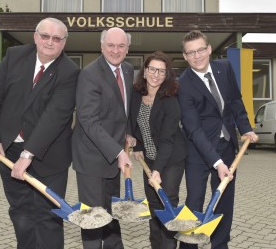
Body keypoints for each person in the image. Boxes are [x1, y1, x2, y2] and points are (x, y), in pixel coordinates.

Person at [0, 17, 80, 249]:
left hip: (50, 155)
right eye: (45, 36)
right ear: (35, 37)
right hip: (10, 150)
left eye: (56, 38)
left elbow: (54, 118)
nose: (49, 42)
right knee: (21, 213)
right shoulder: (15, 56)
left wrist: (28, 155)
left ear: (63, 43)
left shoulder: (70, 72)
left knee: (49, 216)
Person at [178, 30, 258, 249]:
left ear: (209, 49)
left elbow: (234, 101)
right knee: (195, 201)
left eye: (201, 49)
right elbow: (193, 129)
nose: (197, 56)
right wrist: (217, 163)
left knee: (224, 201)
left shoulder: (225, 68)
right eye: (191, 52)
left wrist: (245, 128)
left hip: (227, 146)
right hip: (198, 151)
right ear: (185, 56)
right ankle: (188, 246)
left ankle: (220, 244)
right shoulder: (183, 84)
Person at [72, 27, 135, 249]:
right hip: (91, 158)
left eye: (121, 46)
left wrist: (128, 132)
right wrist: (118, 152)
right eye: (110, 45)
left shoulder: (127, 70)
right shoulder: (89, 74)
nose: (115, 50)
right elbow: (88, 120)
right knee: (92, 218)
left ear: (127, 49)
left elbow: (123, 108)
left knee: (111, 212)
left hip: (113, 156)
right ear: (101, 46)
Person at [130, 51, 188, 249]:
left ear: (166, 75)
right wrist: (137, 145)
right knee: (153, 205)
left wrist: (157, 171)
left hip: (171, 158)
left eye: (161, 71)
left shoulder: (170, 100)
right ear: (145, 71)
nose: (156, 74)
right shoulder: (136, 95)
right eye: (152, 69)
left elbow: (167, 139)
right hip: (150, 158)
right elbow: (135, 124)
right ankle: (156, 245)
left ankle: (168, 245)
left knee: (168, 203)